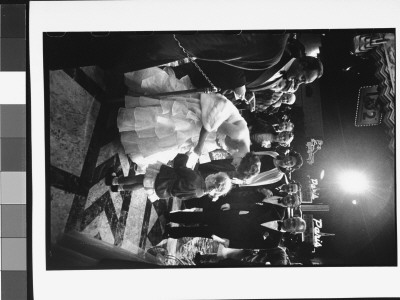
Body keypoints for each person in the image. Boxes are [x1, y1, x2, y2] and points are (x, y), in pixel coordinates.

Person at [116, 67, 251, 170]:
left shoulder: (239, 147)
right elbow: (211, 125)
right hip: (207, 110)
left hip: (207, 120)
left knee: (175, 135)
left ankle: (132, 121)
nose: (233, 164)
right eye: (237, 165)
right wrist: (199, 147)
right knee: (173, 120)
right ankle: (133, 112)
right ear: (244, 159)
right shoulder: (239, 135)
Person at [165, 203, 306, 249]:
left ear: (293, 232)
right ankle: (170, 216)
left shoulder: (274, 242)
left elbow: (250, 244)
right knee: (199, 216)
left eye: (294, 224)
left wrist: (231, 243)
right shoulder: (275, 211)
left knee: (199, 231)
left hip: (230, 232)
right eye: (294, 219)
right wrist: (232, 205)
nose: (291, 221)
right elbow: (250, 205)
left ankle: (171, 232)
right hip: (230, 216)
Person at [106, 153, 231, 202]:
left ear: (213, 180)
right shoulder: (200, 193)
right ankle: (119, 189)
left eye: (214, 175)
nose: (211, 174)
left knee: (140, 178)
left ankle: (114, 180)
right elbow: (181, 195)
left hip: (162, 180)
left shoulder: (196, 179)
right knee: (142, 184)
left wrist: (186, 155)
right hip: (164, 192)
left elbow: (179, 167)